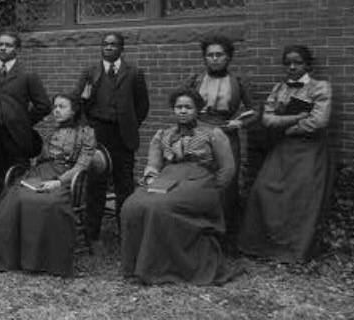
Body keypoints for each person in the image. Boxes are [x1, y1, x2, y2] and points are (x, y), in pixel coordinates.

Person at [120, 87, 238, 285]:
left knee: (160, 207)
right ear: (173, 110)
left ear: (198, 109)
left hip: (200, 183)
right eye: (178, 107)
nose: (183, 111)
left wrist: (213, 191)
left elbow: (228, 168)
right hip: (167, 179)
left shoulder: (213, 134)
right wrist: (151, 179)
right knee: (132, 205)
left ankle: (161, 268)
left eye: (188, 107)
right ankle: (136, 266)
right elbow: (153, 164)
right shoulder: (162, 135)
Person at [0, 94, 95, 277]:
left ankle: (42, 259)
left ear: (74, 111)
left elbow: (82, 165)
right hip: (41, 172)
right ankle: (11, 255)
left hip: (65, 177)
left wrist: (59, 182)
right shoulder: (52, 132)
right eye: (55, 107)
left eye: (62, 107)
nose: (56, 110)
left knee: (48, 203)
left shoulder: (86, 133)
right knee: (14, 197)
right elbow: (40, 159)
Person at [238, 45, 334, 262]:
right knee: (263, 189)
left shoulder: (320, 87)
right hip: (284, 147)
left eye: (297, 62)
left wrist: (289, 127)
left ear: (307, 65)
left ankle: (292, 250)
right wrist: (296, 118)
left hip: (310, 148)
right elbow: (267, 119)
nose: (292, 67)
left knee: (300, 194)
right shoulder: (279, 88)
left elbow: (319, 121)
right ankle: (262, 246)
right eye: (288, 63)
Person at [71, 32, 149, 244]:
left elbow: (142, 106)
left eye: (113, 44)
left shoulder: (134, 73)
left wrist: (129, 124)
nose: (108, 47)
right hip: (98, 134)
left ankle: (127, 234)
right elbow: (78, 103)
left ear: (122, 49)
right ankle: (91, 233)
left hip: (123, 136)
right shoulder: (91, 72)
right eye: (105, 44)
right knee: (96, 184)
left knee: (125, 184)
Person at [183, 35, 257, 253]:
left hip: (226, 135)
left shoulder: (238, 82)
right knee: (197, 180)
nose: (214, 59)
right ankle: (196, 236)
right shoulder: (195, 80)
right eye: (210, 55)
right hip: (198, 135)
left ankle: (224, 240)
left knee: (227, 185)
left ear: (229, 57)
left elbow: (255, 111)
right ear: (204, 58)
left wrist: (239, 123)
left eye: (219, 55)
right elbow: (182, 104)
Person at [0, 29, 52, 197]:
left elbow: (44, 106)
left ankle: (17, 209)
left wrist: (23, 121)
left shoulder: (28, 75)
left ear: (18, 49)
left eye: (8, 45)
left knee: (18, 177)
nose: (3, 48)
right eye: (0, 44)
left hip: (18, 137)